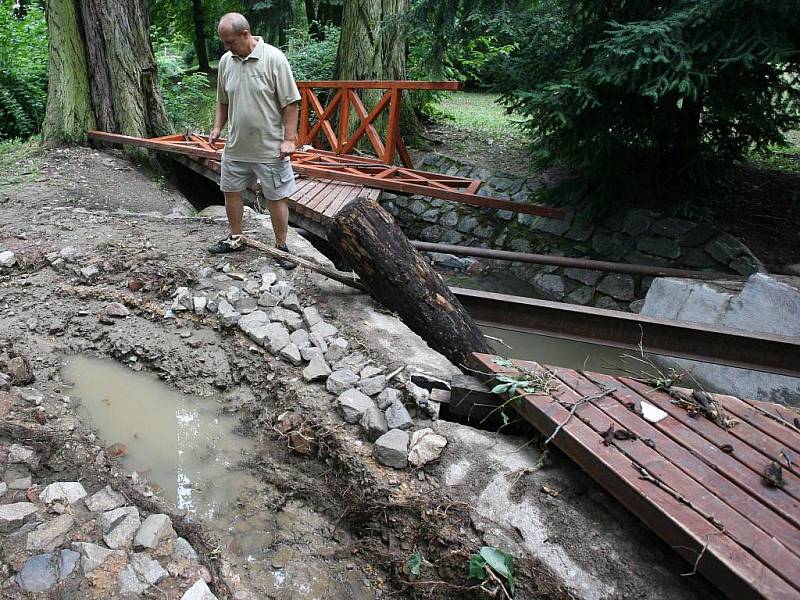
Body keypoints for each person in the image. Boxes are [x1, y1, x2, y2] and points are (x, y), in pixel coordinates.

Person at [208, 12, 300, 270]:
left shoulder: (274, 59)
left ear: (245, 34)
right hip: (236, 146)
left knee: (276, 197)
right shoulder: (227, 61)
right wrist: (217, 127)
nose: (226, 47)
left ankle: (281, 247)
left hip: (270, 148)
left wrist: (288, 140)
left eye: (230, 41)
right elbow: (223, 100)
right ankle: (236, 238)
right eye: (224, 42)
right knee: (231, 191)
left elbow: (291, 103)